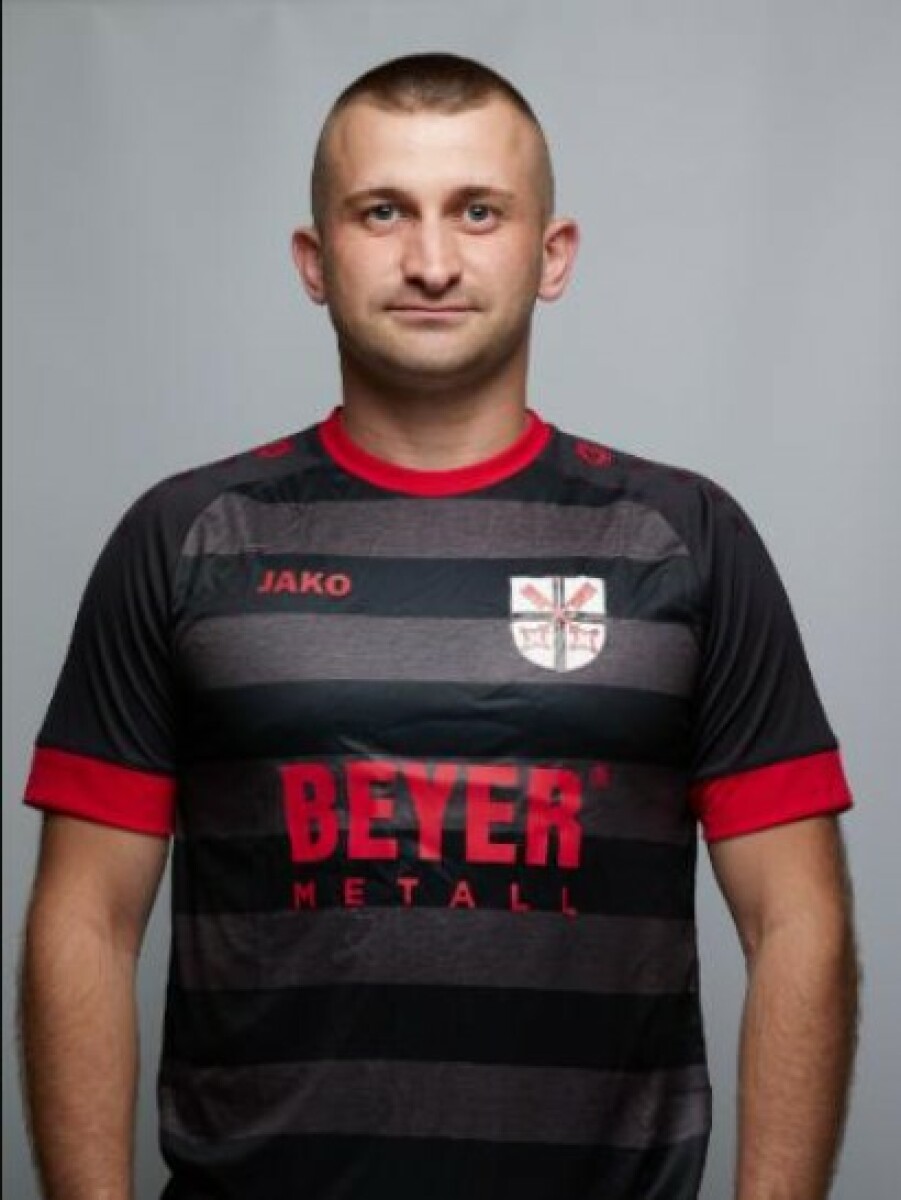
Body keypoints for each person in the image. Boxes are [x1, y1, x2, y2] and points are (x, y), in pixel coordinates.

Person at [18, 51, 859, 1200]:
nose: (429, 261)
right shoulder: (186, 538)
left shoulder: (684, 538)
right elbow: (86, 919)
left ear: (550, 254)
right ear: (314, 260)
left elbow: (796, 920)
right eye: (382, 212)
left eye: (476, 211)